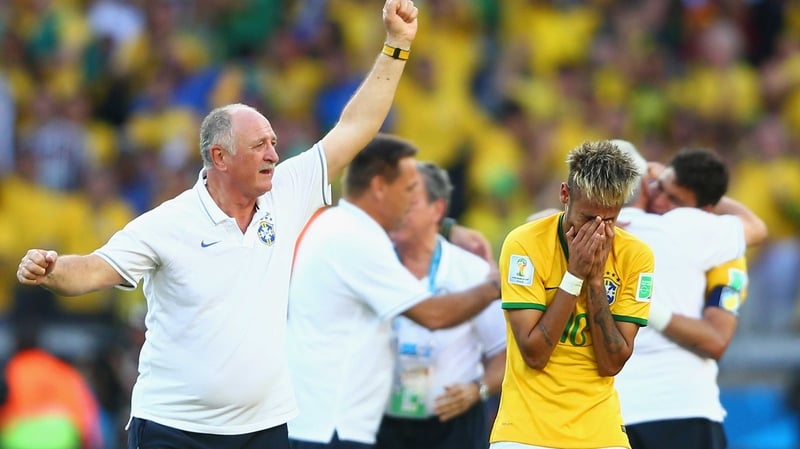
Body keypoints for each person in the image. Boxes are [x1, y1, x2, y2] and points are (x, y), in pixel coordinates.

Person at [14, 2, 420, 448]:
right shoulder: (169, 223)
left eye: (273, 142)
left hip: (262, 428)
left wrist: (396, 45)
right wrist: (52, 270)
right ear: (220, 157)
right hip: (173, 429)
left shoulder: (286, 190)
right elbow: (92, 270)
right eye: (259, 145)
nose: (274, 155)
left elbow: (357, 126)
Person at [286, 134, 501, 449]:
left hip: (327, 422)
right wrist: (495, 286)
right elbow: (433, 315)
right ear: (379, 187)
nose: (409, 201)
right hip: (335, 428)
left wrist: (446, 228)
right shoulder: (358, 241)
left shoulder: (336, 225)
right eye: (407, 189)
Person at [490, 140, 655, 449]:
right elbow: (535, 354)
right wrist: (575, 275)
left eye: (609, 221)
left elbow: (611, 363)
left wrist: (595, 281)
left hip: (601, 433)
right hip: (525, 433)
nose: (597, 233)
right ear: (565, 195)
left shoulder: (636, 256)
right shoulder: (524, 244)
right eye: (588, 219)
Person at [613, 144, 768, 449]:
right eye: (659, 187)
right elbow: (755, 226)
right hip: (650, 409)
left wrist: (643, 307)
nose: (659, 200)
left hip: (662, 409)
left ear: (706, 210)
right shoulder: (618, 229)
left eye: (675, 200)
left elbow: (716, 339)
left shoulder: (717, 248)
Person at [374, 161, 506, 449]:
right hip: (380, 425)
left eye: (410, 201)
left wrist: (478, 390)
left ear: (437, 209)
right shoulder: (373, 266)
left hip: (454, 426)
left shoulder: (473, 272)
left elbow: (504, 353)